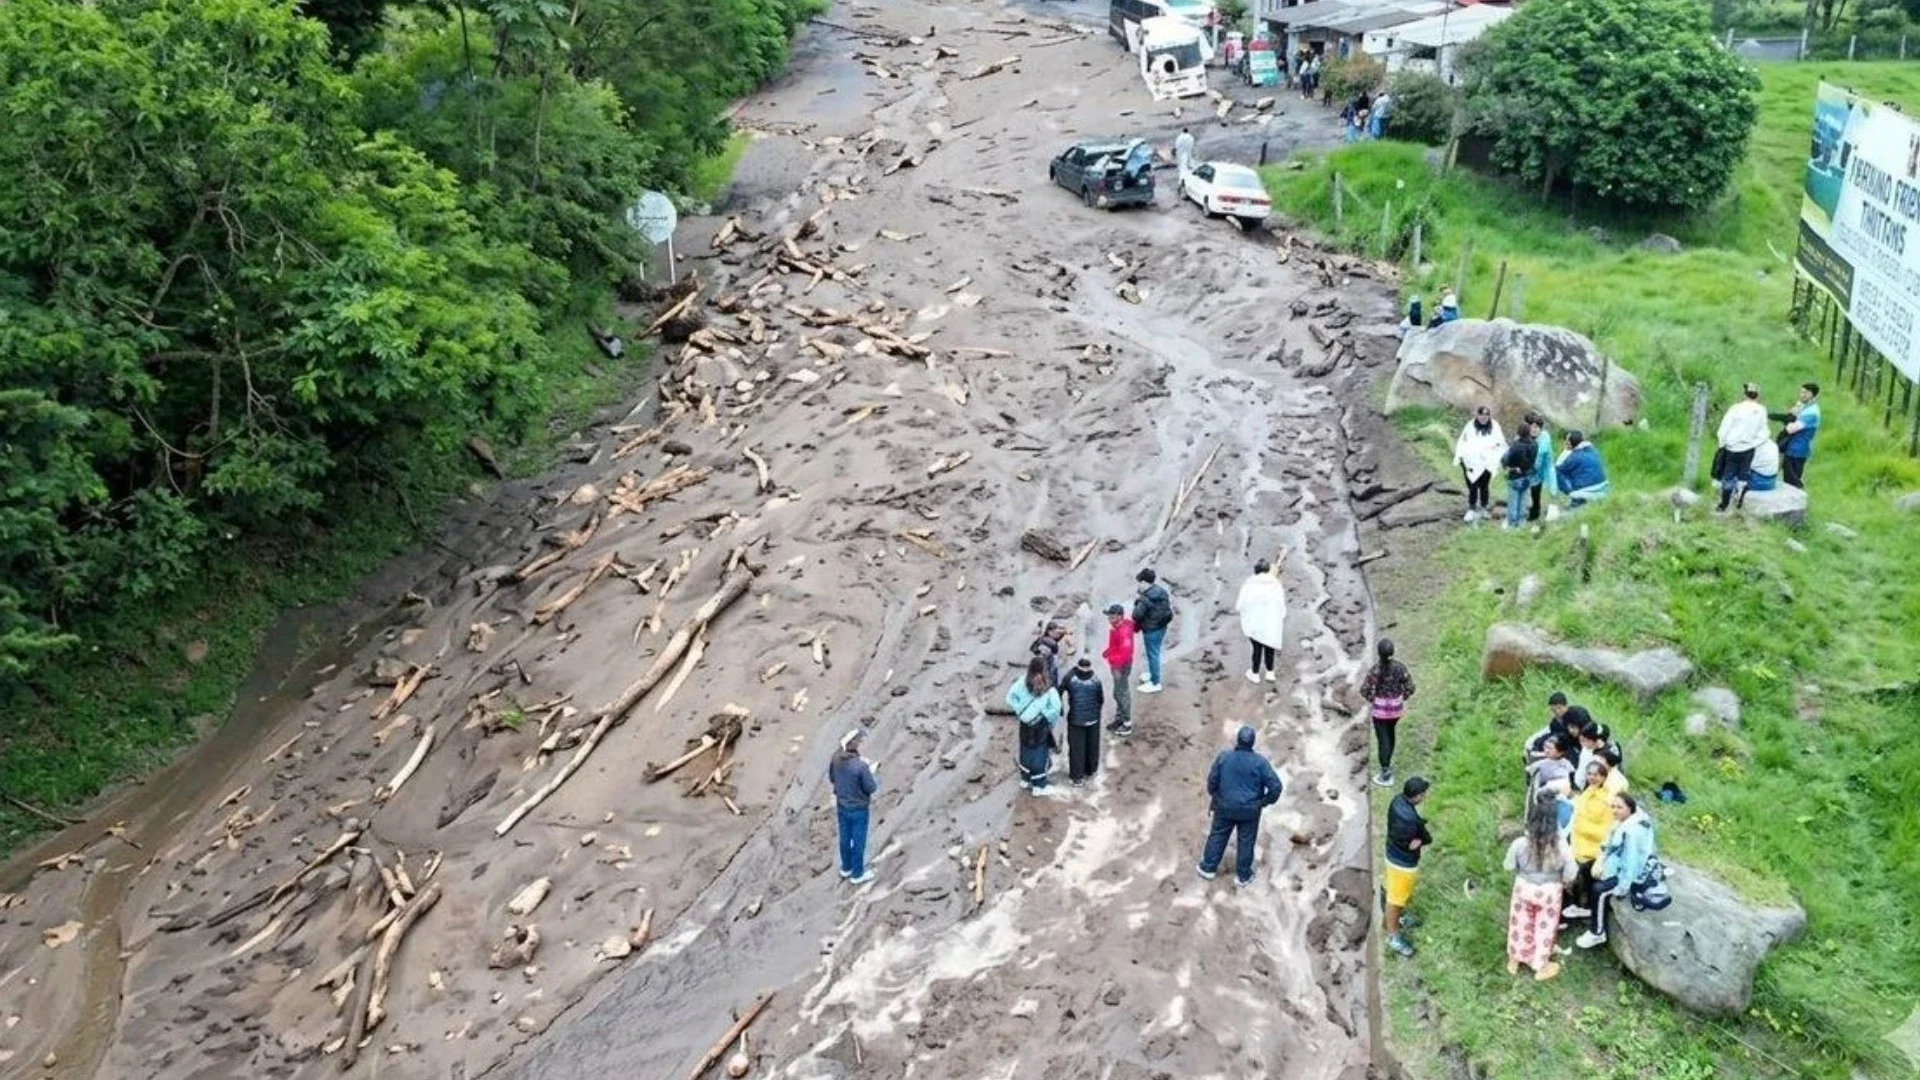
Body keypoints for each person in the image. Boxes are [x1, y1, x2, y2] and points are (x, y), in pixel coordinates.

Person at [1197, 725, 1284, 886]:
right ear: (1252, 743)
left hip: (1224, 806)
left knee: (1218, 835)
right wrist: (1263, 802)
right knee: (1246, 841)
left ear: (1238, 740)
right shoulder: (1260, 763)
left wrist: (1216, 796)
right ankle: (1243, 875)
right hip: (1250, 811)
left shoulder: (1224, 757)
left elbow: (1212, 781)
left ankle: (1208, 868)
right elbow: (1276, 787)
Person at [1505, 790, 1576, 980]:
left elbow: (1509, 865)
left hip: (1524, 886)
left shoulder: (1520, 843)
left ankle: (1515, 959)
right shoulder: (1561, 846)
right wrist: (1564, 881)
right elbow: (1571, 871)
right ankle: (1540, 965)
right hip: (1550, 890)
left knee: (1520, 923)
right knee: (1544, 927)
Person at [1577, 793, 1656, 948]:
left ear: (1630, 808)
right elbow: (1609, 845)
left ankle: (1597, 932)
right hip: (1615, 861)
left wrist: (1623, 887)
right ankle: (1587, 909)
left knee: (1599, 890)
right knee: (1587, 868)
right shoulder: (1621, 822)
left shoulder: (1633, 832)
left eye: (1619, 807)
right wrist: (1600, 860)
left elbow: (1631, 863)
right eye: (1612, 806)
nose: (1615, 810)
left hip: (1630, 871)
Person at [1383, 776, 1433, 958]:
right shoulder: (1413, 821)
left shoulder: (1396, 801)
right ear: (1418, 796)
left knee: (1392, 892)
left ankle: (1396, 921)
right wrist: (1419, 840)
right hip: (1403, 865)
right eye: (1424, 793)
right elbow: (1427, 839)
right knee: (1396, 901)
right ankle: (1393, 936)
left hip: (1391, 853)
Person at [1562, 759, 1614, 923]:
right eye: (1589, 774)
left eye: (1596, 775)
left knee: (1585, 877)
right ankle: (1574, 905)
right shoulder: (1588, 791)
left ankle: (1585, 908)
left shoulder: (1607, 798)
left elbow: (1607, 827)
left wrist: (1584, 829)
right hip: (1578, 841)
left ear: (1604, 776)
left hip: (1593, 846)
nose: (1592, 777)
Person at [1359, 637, 1415, 787]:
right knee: (1391, 734)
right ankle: (1388, 763)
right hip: (1396, 710)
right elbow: (1410, 687)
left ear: (1379, 654)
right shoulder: (1400, 668)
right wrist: (1401, 697)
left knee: (1382, 740)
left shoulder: (1375, 671)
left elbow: (1364, 690)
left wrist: (1374, 699)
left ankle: (1385, 772)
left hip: (1380, 712)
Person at [829, 728, 879, 885]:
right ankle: (857, 874)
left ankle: (846, 868)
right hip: (858, 808)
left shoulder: (836, 758)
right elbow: (871, 788)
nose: (860, 742)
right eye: (858, 741)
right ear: (853, 744)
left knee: (844, 838)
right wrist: (871, 772)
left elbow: (832, 778)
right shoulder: (860, 767)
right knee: (858, 841)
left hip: (842, 805)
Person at [1006, 657, 1062, 791]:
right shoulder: (1049, 690)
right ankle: (1039, 786)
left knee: (1025, 750)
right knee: (1039, 753)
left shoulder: (1021, 682)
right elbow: (1055, 709)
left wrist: (1020, 710)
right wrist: (1047, 718)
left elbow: (1009, 697)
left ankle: (1025, 779)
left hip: (1024, 724)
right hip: (1040, 725)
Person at [1714, 382, 1770, 512]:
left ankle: (1724, 504)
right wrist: (1754, 443)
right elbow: (1764, 432)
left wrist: (1722, 443)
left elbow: (1725, 427)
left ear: (1744, 394)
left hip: (1732, 448)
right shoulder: (1761, 410)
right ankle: (1739, 501)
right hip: (1748, 448)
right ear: (1757, 395)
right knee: (1743, 474)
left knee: (1728, 474)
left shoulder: (1736, 408)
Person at [1235, 557, 1287, 684]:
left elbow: (1241, 604)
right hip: (1271, 619)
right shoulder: (1275, 584)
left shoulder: (1249, 584)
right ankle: (1270, 673)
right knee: (1270, 645)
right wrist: (1280, 615)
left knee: (1257, 647)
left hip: (1255, 620)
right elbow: (1281, 603)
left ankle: (1255, 673)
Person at [1453, 406, 1505, 523]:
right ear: (1477, 415)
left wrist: (1493, 455)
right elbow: (1463, 442)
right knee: (1473, 485)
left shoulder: (1495, 426)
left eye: (1486, 415)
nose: (1483, 418)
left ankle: (1483, 507)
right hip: (1472, 462)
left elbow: (1500, 443)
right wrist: (1462, 457)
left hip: (1487, 462)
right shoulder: (1470, 426)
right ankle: (1472, 507)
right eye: (1481, 415)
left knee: (1484, 486)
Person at [1061, 658, 1105, 785]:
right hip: (1093, 719)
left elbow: (1059, 690)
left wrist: (1061, 710)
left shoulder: (1071, 678)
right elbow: (1100, 699)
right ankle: (1091, 770)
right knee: (1092, 746)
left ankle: (1077, 777)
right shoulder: (1096, 680)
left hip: (1076, 719)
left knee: (1077, 749)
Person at [1132, 568, 1174, 694]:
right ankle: (1152, 674)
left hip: (1152, 629)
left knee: (1153, 655)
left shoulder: (1146, 598)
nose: (1138, 584)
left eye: (1140, 582)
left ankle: (1155, 683)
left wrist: (1139, 600)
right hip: (1162, 626)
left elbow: (1136, 615)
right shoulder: (1161, 591)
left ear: (1145, 582)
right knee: (1154, 652)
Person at [1524, 693, 1590, 763]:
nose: (1557, 712)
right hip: (1568, 746)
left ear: (1566, 705)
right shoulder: (1555, 723)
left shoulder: (1578, 714)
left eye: (1559, 708)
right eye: (1554, 710)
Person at [1102, 603, 1136, 737]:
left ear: (1119, 616)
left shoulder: (1123, 632)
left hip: (1120, 667)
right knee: (1118, 692)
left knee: (1121, 693)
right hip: (1118, 665)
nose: (1109, 619)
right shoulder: (1119, 627)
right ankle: (1120, 718)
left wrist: (1113, 661)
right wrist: (1108, 652)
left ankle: (1127, 723)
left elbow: (1125, 653)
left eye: (1111, 616)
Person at [1780, 381, 1821, 489]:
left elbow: (1791, 429)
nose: (1802, 395)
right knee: (1790, 480)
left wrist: (1789, 420)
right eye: (1801, 392)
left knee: (1792, 482)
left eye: (1806, 393)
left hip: (1797, 450)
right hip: (1794, 449)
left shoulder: (1811, 412)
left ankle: (1796, 500)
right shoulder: (1805, 407)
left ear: (1812, 394)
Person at [1553, 430, 1609, 508]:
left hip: (1588, 488)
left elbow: (1558, 468)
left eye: (1567, 441)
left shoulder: (1574, 456)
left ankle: (1576, 499)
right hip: (1603, 485)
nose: (1565, 443)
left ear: (1569, 443)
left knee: (1555, 472)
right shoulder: (1593, 450)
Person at [1500, 419, 1539, 530]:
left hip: (1514, 476)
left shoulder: (1516, 445)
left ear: (1519, 432)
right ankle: (1521, 524)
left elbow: (1506, 459)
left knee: (1513, 502)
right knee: (1523, 501)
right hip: (1527, 476)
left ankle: (1512, 525)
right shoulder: (1535, 445)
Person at [1527, 415, 1555, 524]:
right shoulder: (1525, 436)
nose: (1533, 430)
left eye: (1536, 427)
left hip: (1541, 468)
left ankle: (1535, 511)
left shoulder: (1544, 439)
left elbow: (1539, 459)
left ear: (1541, 429)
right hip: (1528, 467)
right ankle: (1529, 508)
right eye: (1531, 427)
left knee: (1536, 490)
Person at [1031, 620, 1068, 689]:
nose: (1057, 633)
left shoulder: (1043, 639)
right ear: (1049, 632)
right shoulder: (1051, 643)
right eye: (1055, 632)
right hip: (1048, 671)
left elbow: (1032, 648)